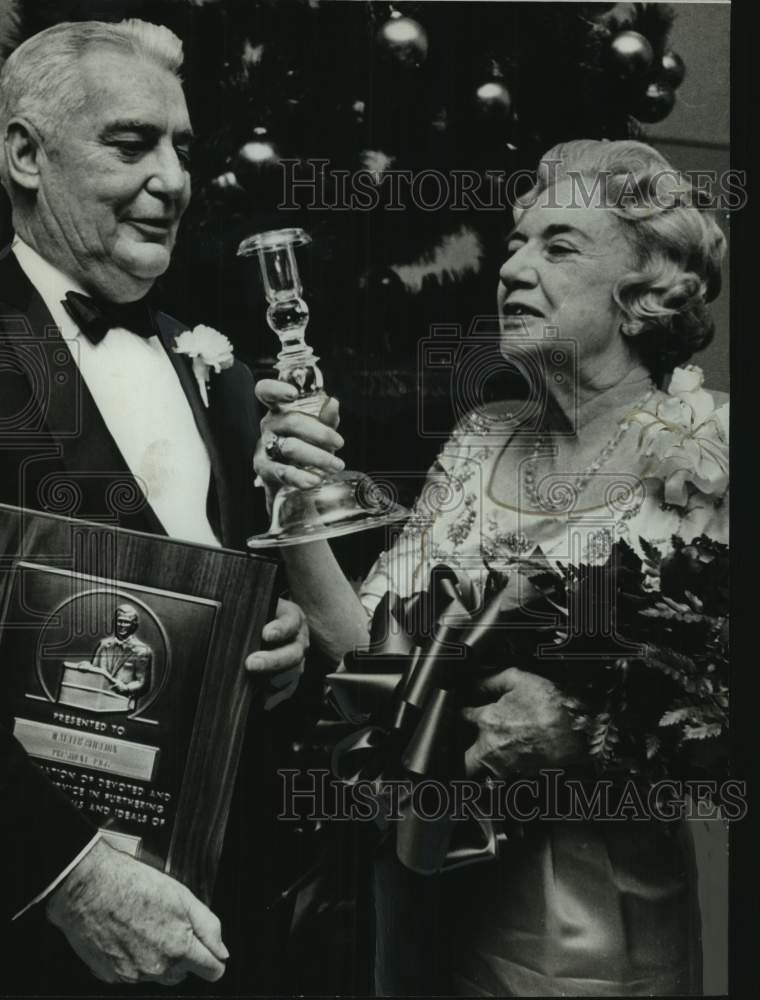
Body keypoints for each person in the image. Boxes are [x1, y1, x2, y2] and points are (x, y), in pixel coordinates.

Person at [254, 139, 728, 995]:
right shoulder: (484, 437)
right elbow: (365, 648)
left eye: (558, 246)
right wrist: (295, 504)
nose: (511, 268)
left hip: (591, 918)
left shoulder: (716, 447)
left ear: (645, 293)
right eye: (515, 242)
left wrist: (587, 736)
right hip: (422, 887)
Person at [0, 19, 308, 994]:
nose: (173, 179)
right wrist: (63, 874)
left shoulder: (212, 365)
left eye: (182, 148)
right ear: (25, 156)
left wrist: (276, 643)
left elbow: (215, 579)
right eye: (132, 144)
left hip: (217, 915)